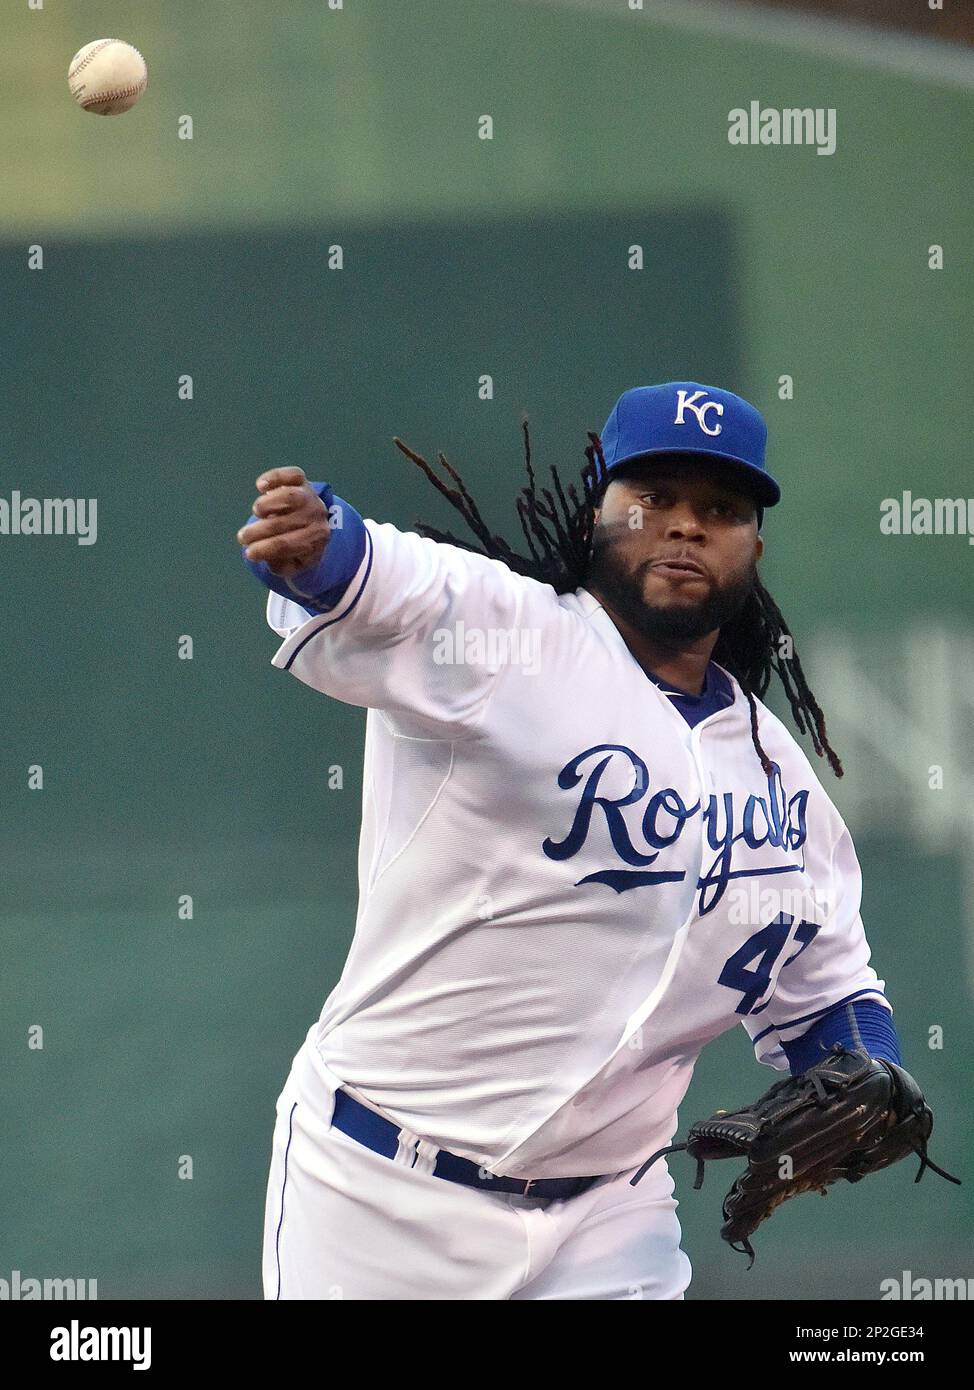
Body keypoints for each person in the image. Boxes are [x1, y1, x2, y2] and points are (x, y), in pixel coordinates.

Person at [237, 382, 900, 1300]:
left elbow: (826, 994)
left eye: (720, 509)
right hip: (381, 1191)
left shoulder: (782, 783)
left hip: (610, 1217)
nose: (684, 526)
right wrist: (318, 549)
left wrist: (873, 1071)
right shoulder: (507, 633)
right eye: (652, 497)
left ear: (756, 544)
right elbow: (388, 579)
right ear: (599, 512)